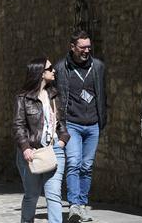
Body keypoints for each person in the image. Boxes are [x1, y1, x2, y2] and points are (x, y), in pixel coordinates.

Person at [53, 30, 107, 223]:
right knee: (74, 162)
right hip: (72, 124)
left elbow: (102, 94)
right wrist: (59, 124)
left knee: (87, 166)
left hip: (93, 124)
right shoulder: (61, 68)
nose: (86, 50)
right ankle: (74, 205)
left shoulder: (98, 66)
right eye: (82, 47)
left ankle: (83, 204)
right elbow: (56, 96)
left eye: (88, 47)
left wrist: (102, 120)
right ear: (73, 47)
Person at [13, 58, 70, 223]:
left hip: (54, 151)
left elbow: (61, 122)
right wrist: (25, 148)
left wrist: (63, 140)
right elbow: (18, 126)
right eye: (50, 68)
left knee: (53, 195)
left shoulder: (54, 95)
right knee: (32, 195)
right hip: (32, 153)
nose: (54, 71)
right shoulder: (23, 98)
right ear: (40, 73)